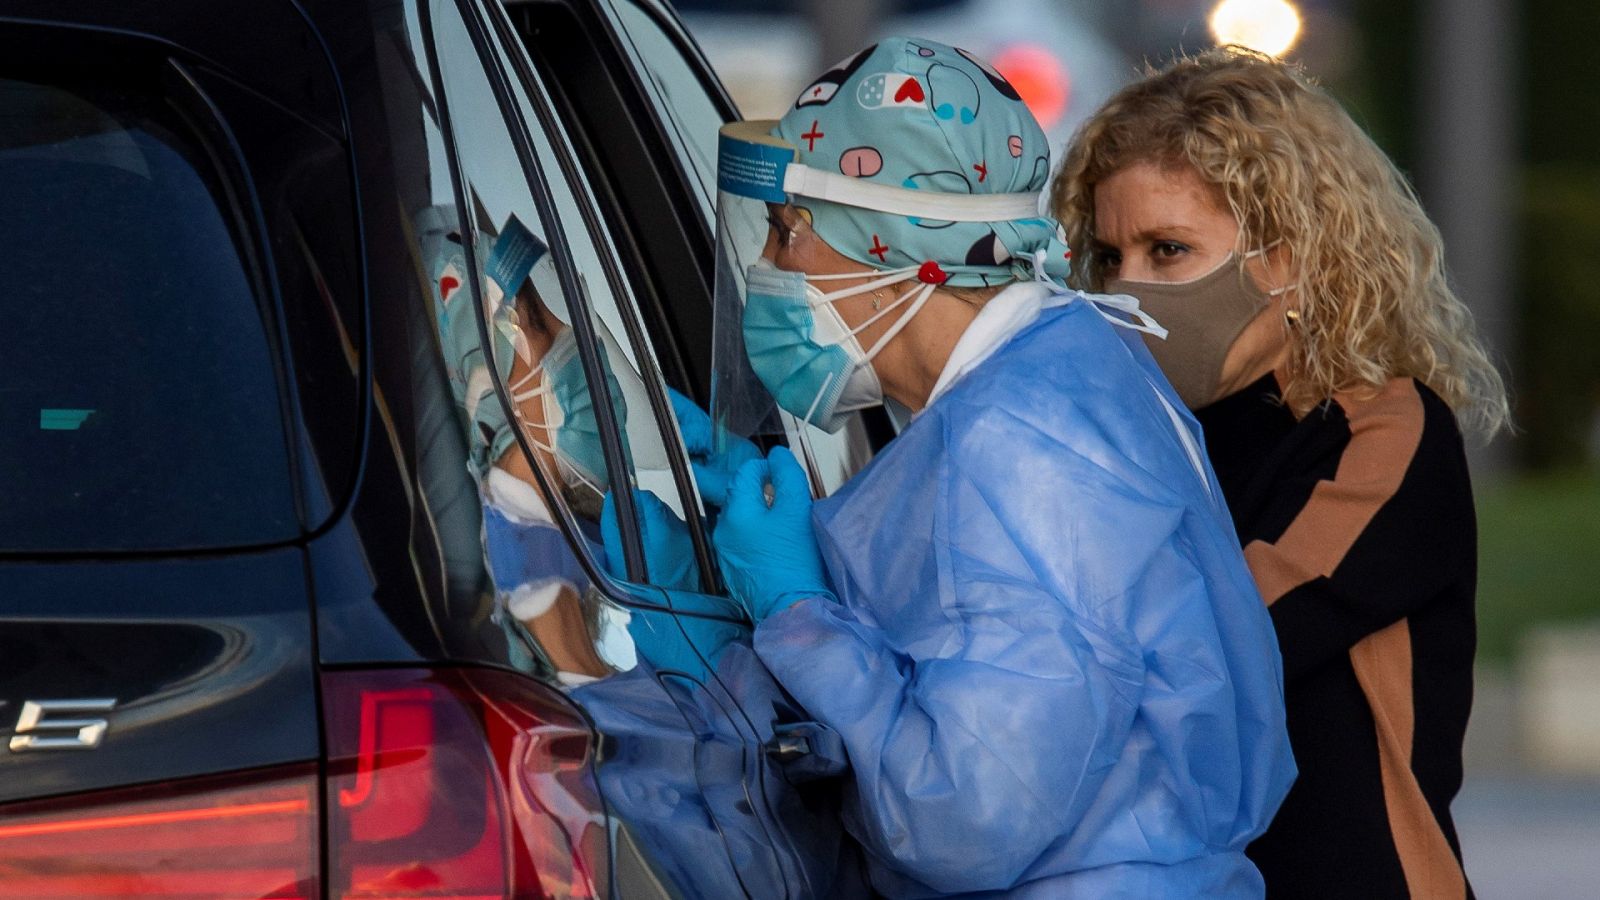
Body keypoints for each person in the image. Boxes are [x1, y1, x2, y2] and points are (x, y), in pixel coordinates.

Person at [686, 37, 1296, 897]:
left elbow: (968, 815)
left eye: (789, 234)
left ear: (889, 252)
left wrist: (800, 613)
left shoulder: (1016, 443)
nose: (768, 269)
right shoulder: (1066, 367)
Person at [1052, 48, 1510, 898]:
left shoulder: (1384, 430)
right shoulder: (1139, 432)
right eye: (1112, 258)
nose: (1130, 288)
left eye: (1170, 249)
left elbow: (1229, 638)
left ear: (1288, 256)